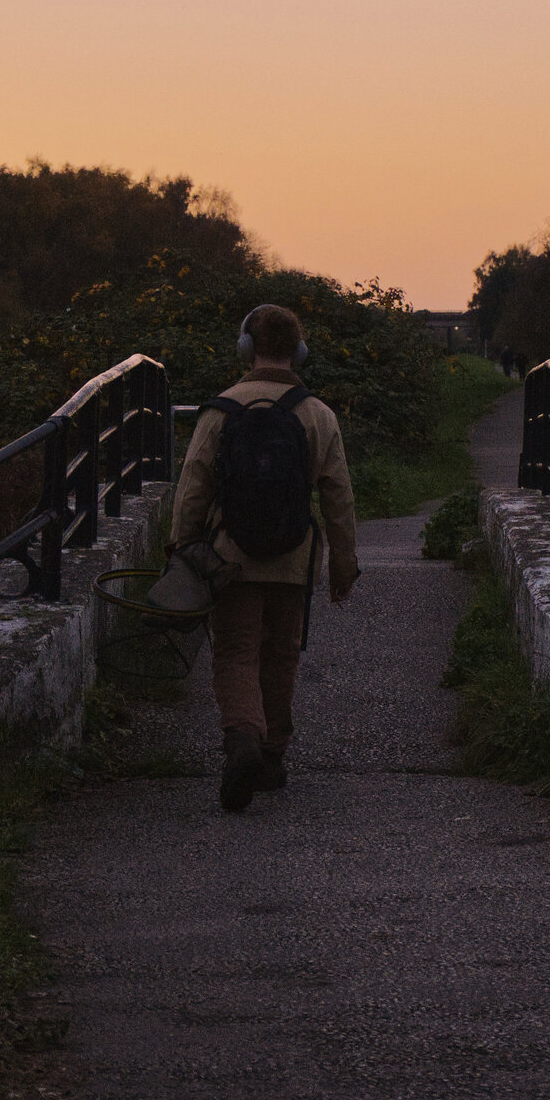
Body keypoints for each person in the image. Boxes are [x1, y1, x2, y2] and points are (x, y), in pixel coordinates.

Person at [169, 304, 360, 811]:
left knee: (235, 652)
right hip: (294, 559)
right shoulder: (318, 414)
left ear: (246, 349)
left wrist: (182, 550)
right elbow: (338, 498)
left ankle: (244, 740)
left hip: (231, 557)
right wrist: (344, 565)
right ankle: (273, 753)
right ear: (299, 352)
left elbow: (192, 490)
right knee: (280, 654)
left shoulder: (222, 409)